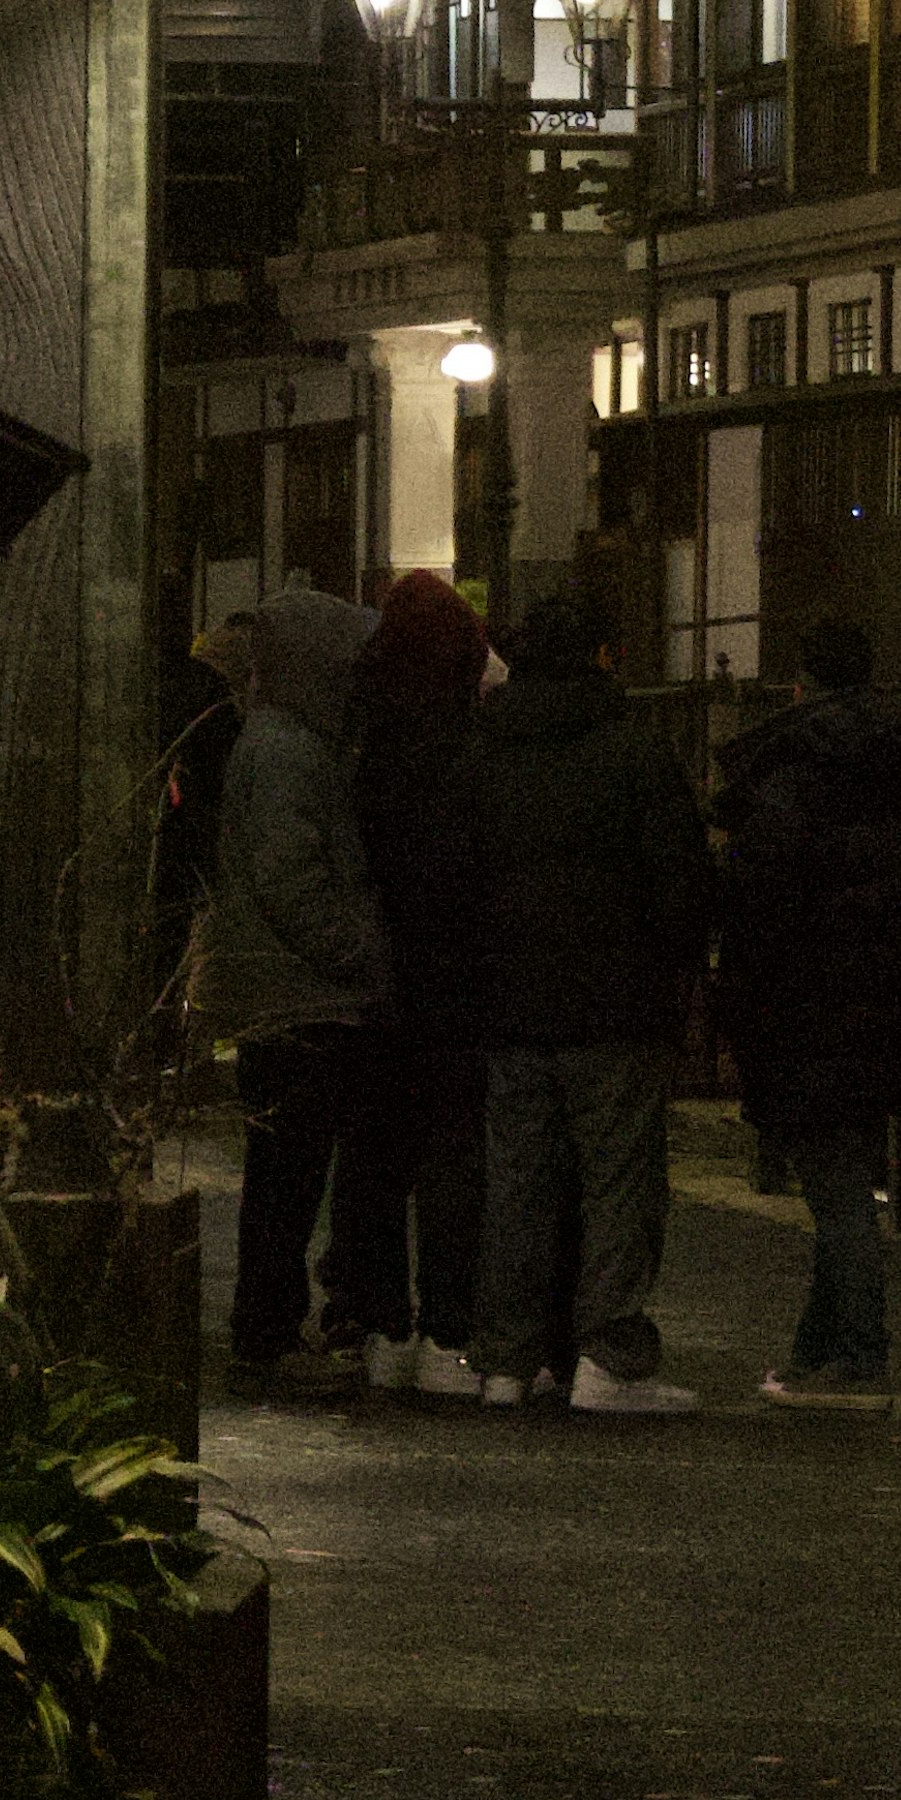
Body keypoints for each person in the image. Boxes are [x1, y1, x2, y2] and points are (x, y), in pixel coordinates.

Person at [462, 587, 720, 1416]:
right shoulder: (634, 752)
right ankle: (607, 1356)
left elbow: (457, 877)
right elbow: (679, 884)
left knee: (516, 1184)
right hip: (614, 1006)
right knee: (617, 1183)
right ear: (603, 654)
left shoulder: (486, 749)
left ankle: (505, 1357)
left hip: (509, 1002)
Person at [719, 619, 901, 1410]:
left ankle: (859, 1357)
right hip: (885, 1000)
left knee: (840, 1194)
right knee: (846, 1180)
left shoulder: (786, 773)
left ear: (800, 684)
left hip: (803, 1004)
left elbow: (758, 904)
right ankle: (814, 1351)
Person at [198, 590, 395, 1397]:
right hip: (301, 999)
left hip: (286, 993)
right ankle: (268, 1332)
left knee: (283, 1176)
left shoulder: (278, 741)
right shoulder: (289, 752)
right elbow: (291, 877)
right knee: (287, 1180)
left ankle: (267, 1327)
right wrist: (361, 950)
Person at [350, 571, 495, 1396]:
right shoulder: (470, 748)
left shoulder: (366, 745)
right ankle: (447, 1331)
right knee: (452, 1158)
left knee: (375, 1158)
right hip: (456, 975)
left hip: (377, 974)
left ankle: (384, 1327)